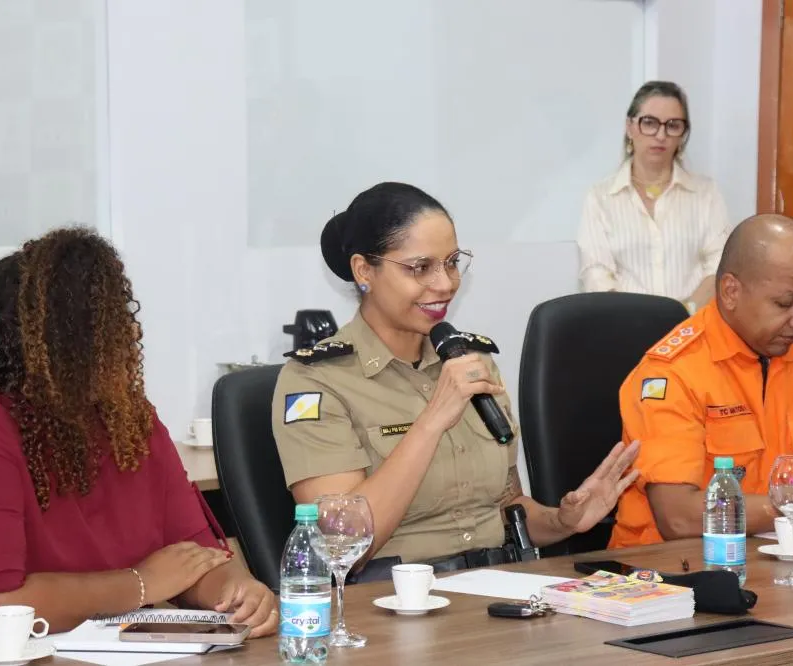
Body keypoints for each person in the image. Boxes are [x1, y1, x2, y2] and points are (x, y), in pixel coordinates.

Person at [272, 182, 640, 576]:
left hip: (498, 589)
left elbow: (505, 507)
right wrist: (432, 420)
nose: (445, 283)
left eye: (451, 262)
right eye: (420, 267)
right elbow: (343, 546)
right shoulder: (317, 382)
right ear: (365, 270)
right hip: (393, 600)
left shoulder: (471, 361)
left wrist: (563, 521)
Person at [0, 228, 275, 639]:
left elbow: (195, 558)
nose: (132, 335)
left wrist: (237, 593)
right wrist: (140, 584)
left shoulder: (130, 421)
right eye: (112, 325)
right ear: (60, 344)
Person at [610, 214, 793, 548]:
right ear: (731, 291)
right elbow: (678, 518)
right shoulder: (673, 373)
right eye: (785, 303)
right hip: (669, 574)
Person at [577, 81, 734, 314]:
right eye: (649, 123)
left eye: (673, 125)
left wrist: (682, 314)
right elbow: (596, 275)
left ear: (683, 134)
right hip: (625, 330)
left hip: (693, 330)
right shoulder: (600, 197)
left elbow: (720, 267)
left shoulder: (706, 193)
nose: (661, 135)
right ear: (630, 127)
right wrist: (641, 323)